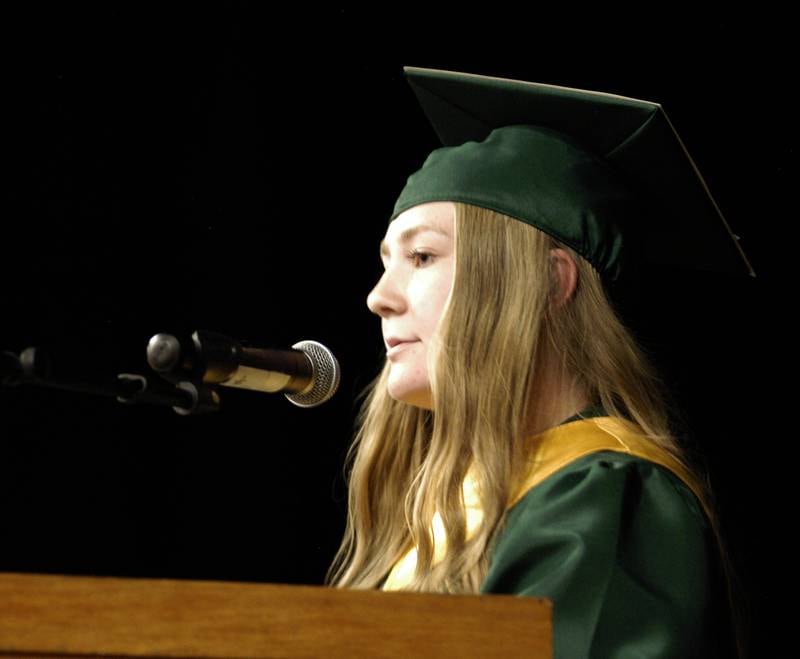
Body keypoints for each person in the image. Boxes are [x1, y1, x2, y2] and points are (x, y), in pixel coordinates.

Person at [326, 67, 752, 658]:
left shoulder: (605, 497)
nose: (378, 296)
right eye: (386, 261)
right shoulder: (448, 509)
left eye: (422, 256)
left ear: (551, 285)